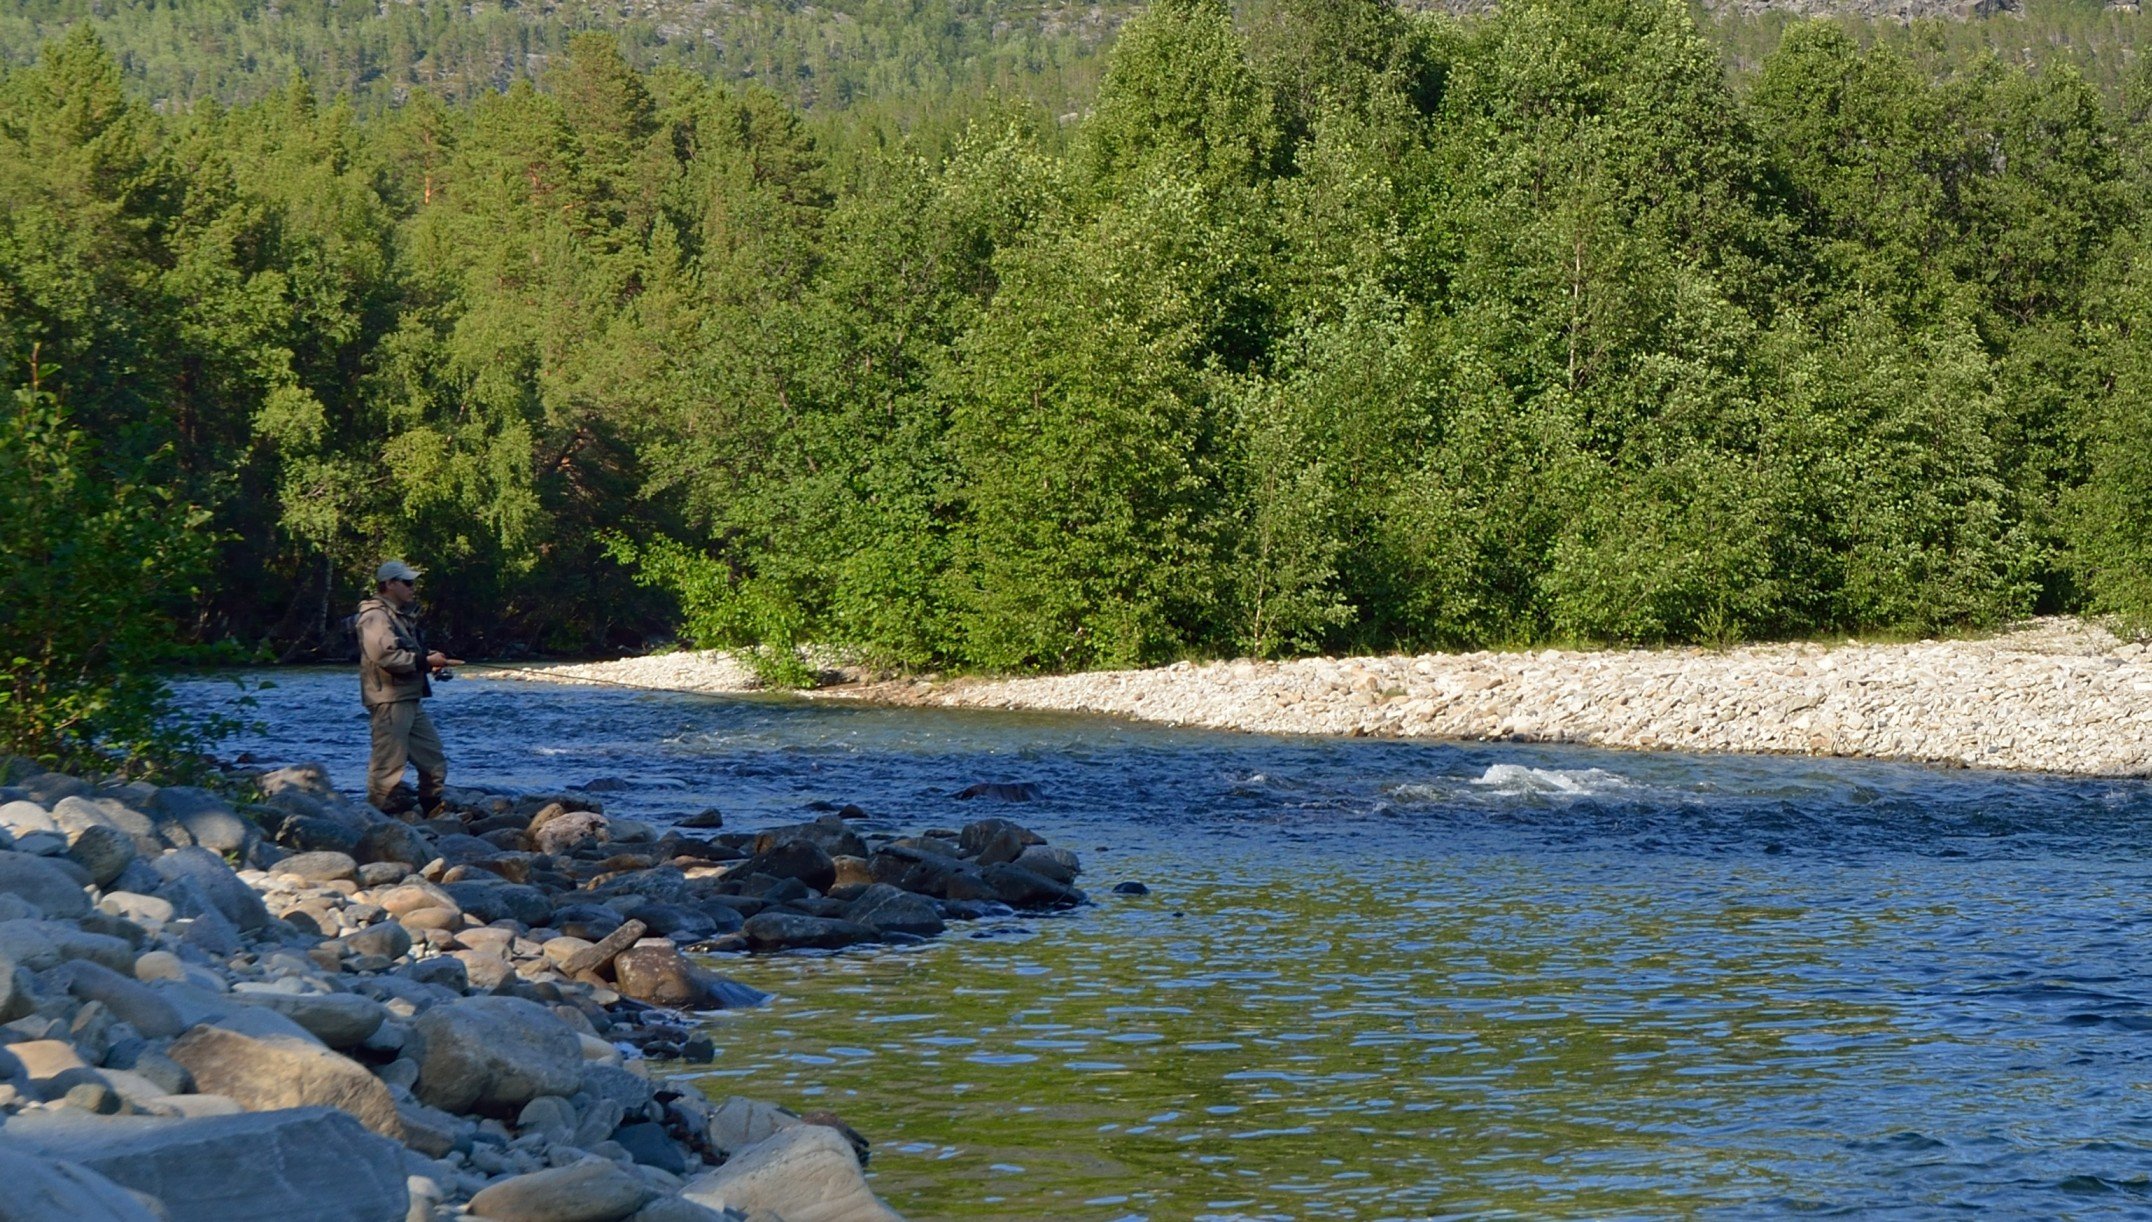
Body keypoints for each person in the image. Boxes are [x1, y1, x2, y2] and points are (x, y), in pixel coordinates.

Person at [357, 560, 463, 815]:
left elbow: (402, 651)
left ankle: (432, 808)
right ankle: (374, 818)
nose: (412, 587)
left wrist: (429, 658)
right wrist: (425, 661)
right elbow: (384, 656)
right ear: (389, 584)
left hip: (409, 697)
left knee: (433, 758)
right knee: (388, 765)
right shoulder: (375, 616)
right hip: (389, 699)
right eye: (407, 582)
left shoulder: (397, 615)